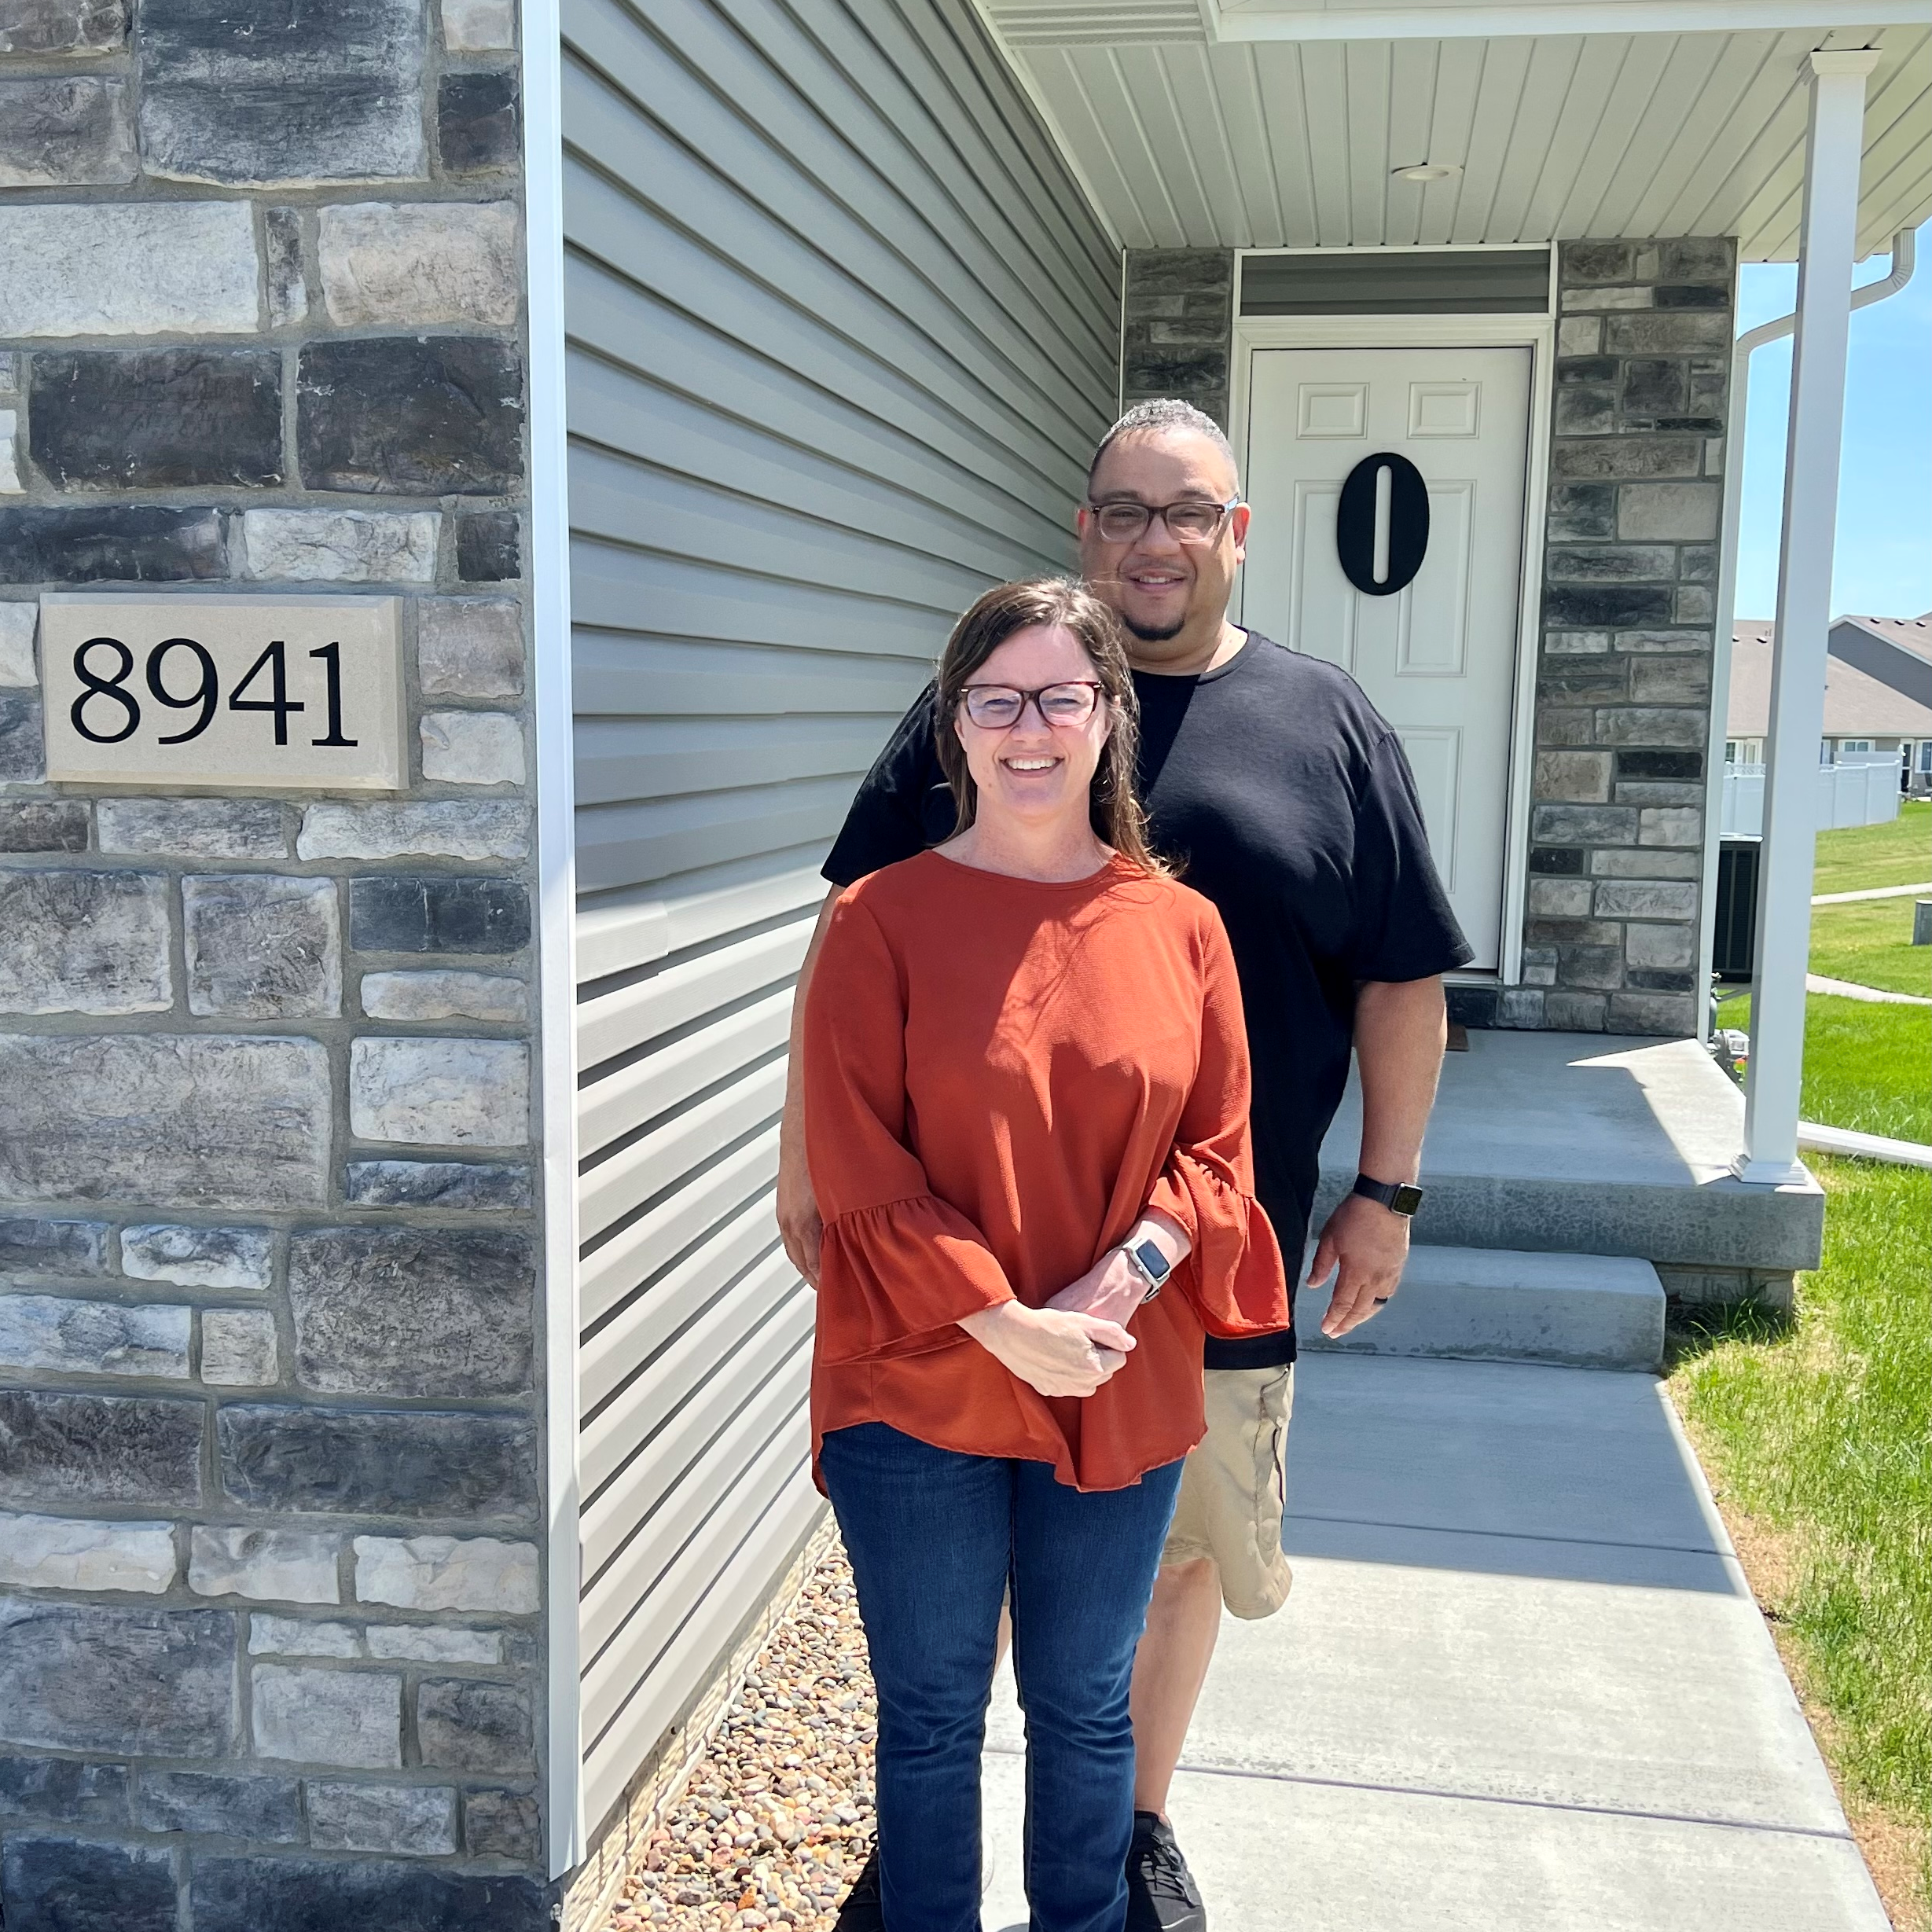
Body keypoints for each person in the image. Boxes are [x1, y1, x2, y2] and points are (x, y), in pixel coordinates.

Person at [784, 397, 1473, 1930]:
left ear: (1233, 531)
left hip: (1162, 1308)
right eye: (1124, 510)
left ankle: (1121, 1852)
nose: (1154, 537)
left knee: (1141, 1624)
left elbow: (1371, 996)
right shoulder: (896, 882)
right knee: (934, 1700)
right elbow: (850, 1079)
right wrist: (919, 1258)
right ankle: (930, 1877)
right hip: (940, 1335)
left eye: (1188, 510)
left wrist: (1374, 1190)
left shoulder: (1295, 761)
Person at [804, 576, 1289, 1932]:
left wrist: (1114, 1282)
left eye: (1059, 697)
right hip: (918, 1380)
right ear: (954, 726)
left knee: (1084, 1705)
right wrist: (1000, 1320)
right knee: (931, 1712)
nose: (1029, 728)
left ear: (1107, 717)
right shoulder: (877, 920)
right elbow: (856, 1161)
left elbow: (1217, 1147)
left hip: (1115, 1367)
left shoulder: (1179, 925)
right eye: (996, 699)